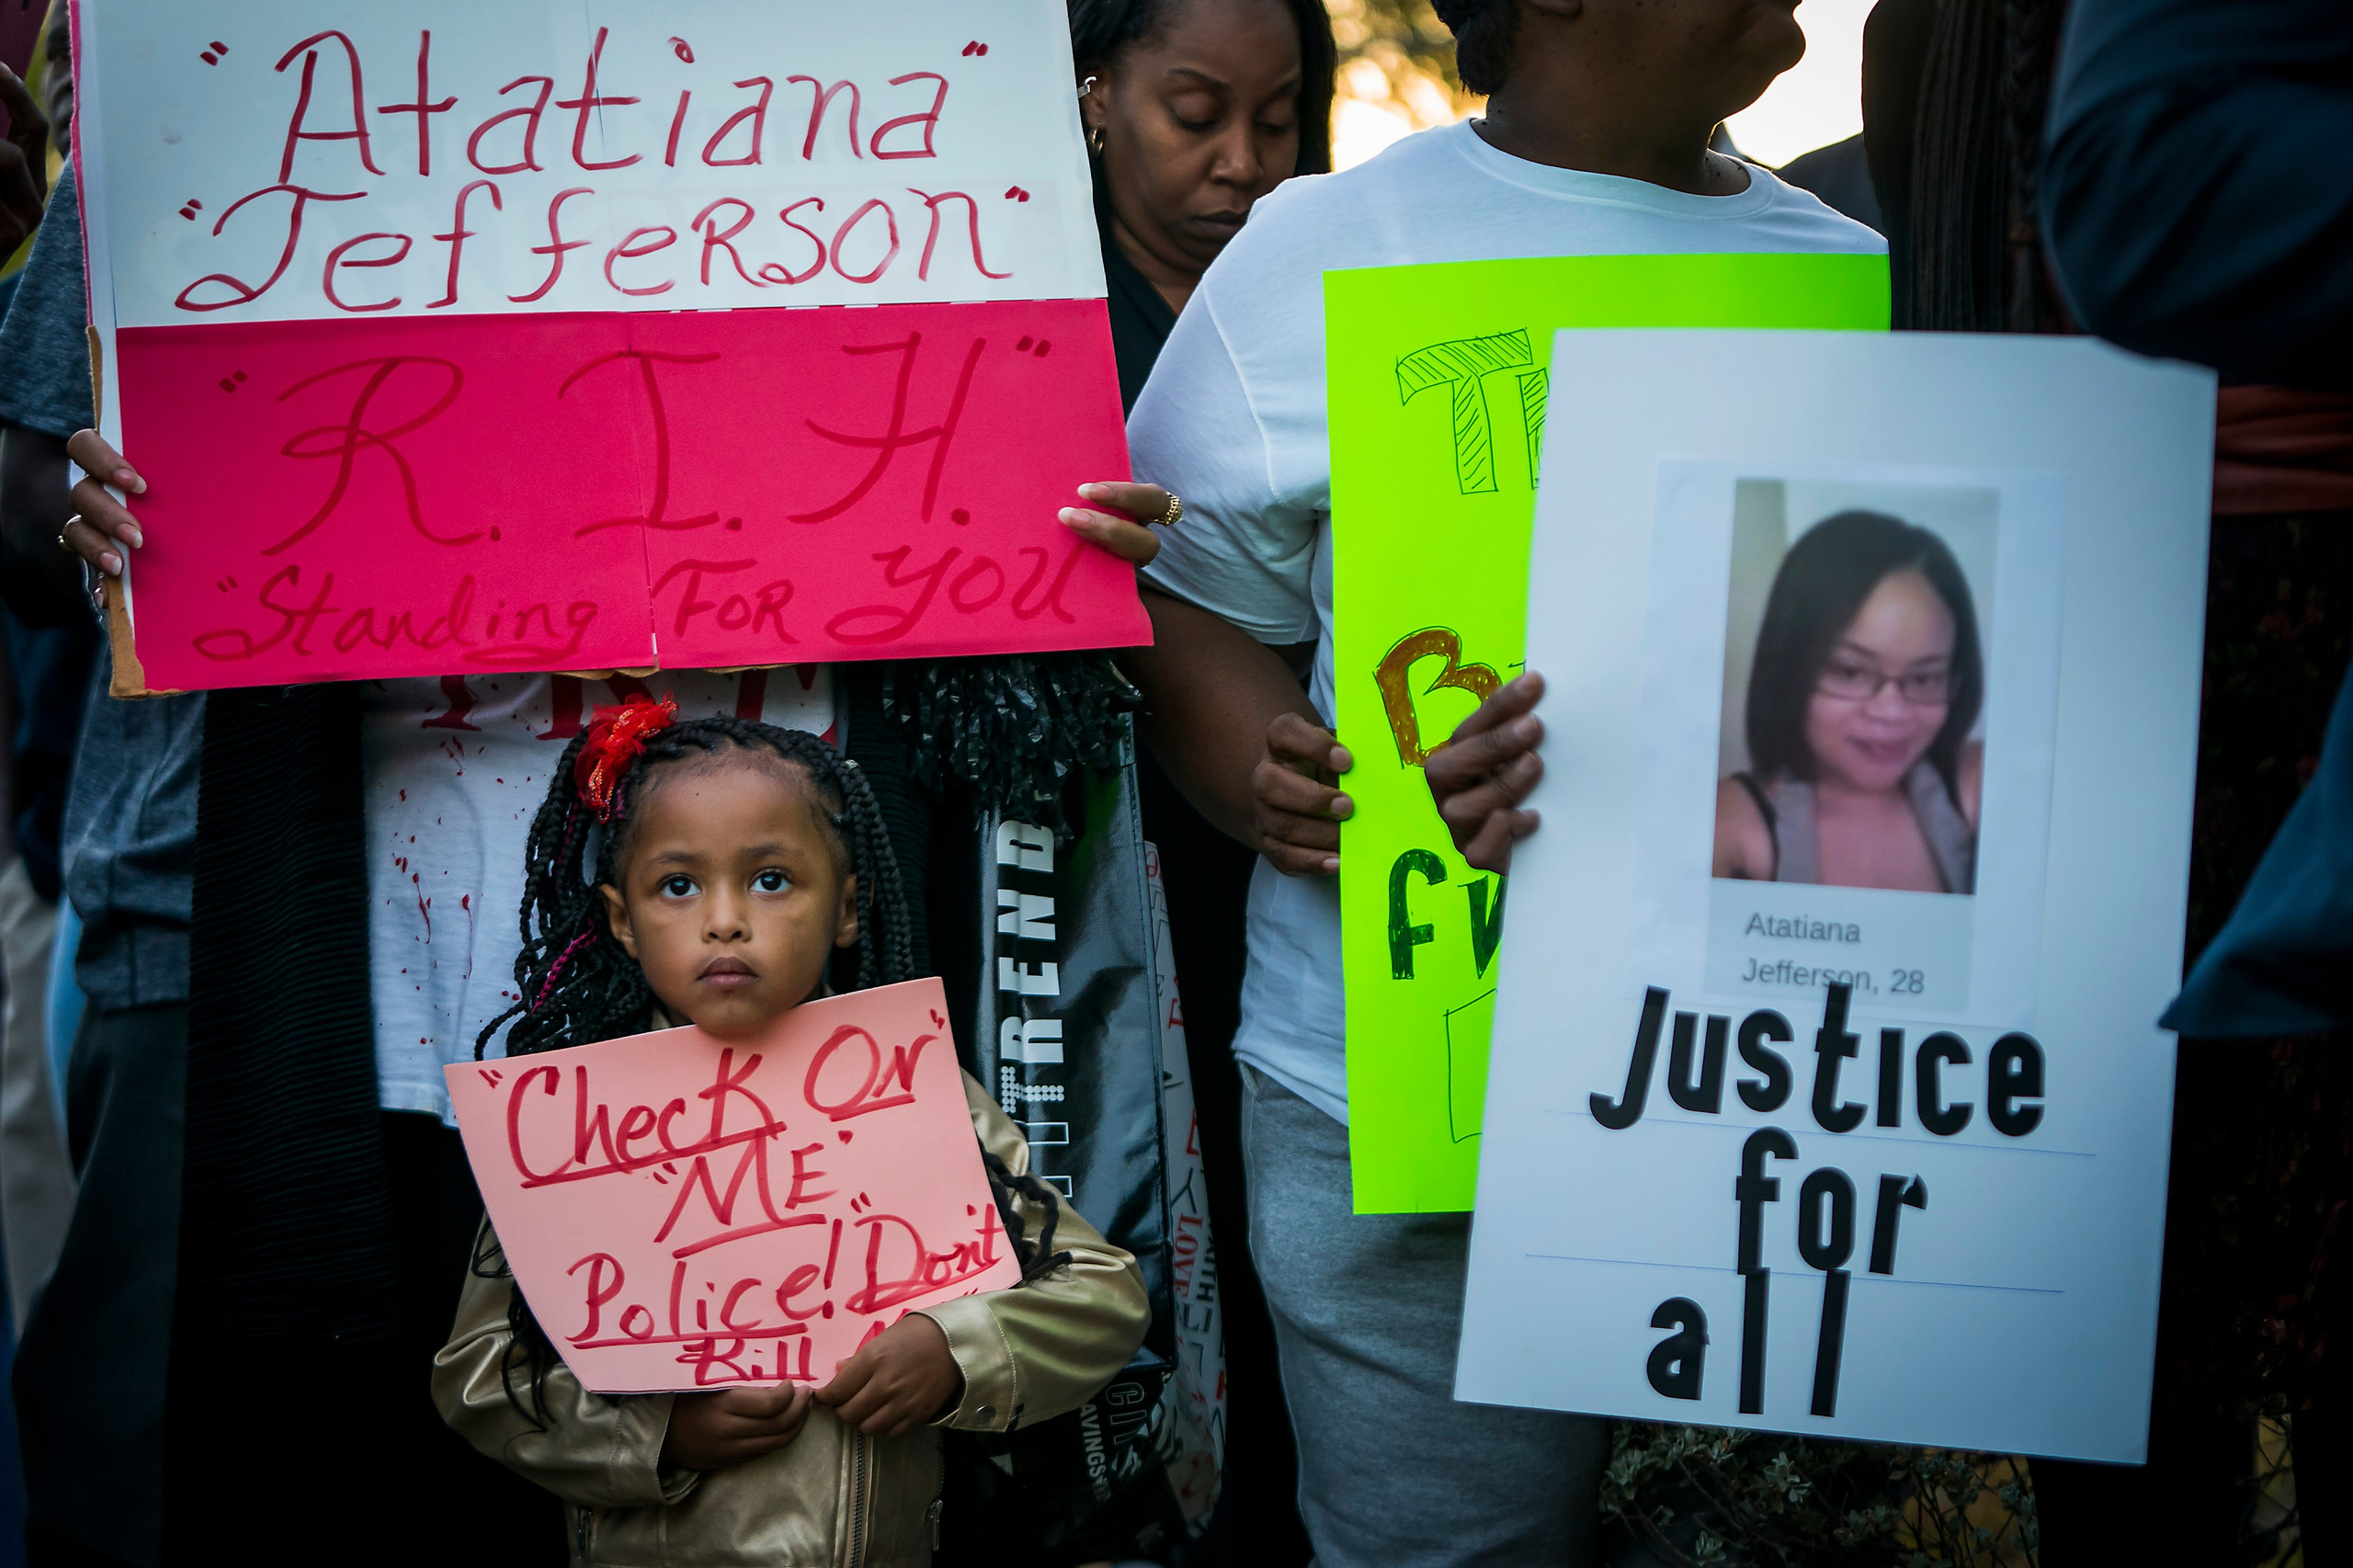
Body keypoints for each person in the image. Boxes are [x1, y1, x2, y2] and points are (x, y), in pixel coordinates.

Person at [1114, 0, 1883, 1559]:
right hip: (1396, 1097)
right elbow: (1183, 602)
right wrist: (1264, 768)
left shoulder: (1856, 277)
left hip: (1772, 1108)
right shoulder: (1322, 250)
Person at [436, 703, 1149, 1560]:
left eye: (771, 879)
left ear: (848, 908)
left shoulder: (914, 1094)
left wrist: (959, 1351)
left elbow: (1103, 1295)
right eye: (678, 885)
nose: (725, 919)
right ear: (622, 921)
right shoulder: (574, 1131)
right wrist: (655, 1436)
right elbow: (477, 1374)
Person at [1065, 2, 1335, 1556]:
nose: (1242, 163)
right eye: (1193, 113)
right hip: (1092, 873)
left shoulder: (1331, 291)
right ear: (1095, 99)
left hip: (1300, 849)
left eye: (1280, 117)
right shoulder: (1014, 316)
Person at [1714, 510, 1983, 895]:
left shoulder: (1975, 786)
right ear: (1789, 670)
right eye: (1850, 672)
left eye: (1924, 678)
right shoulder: (1730, 824)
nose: (1892, 712)